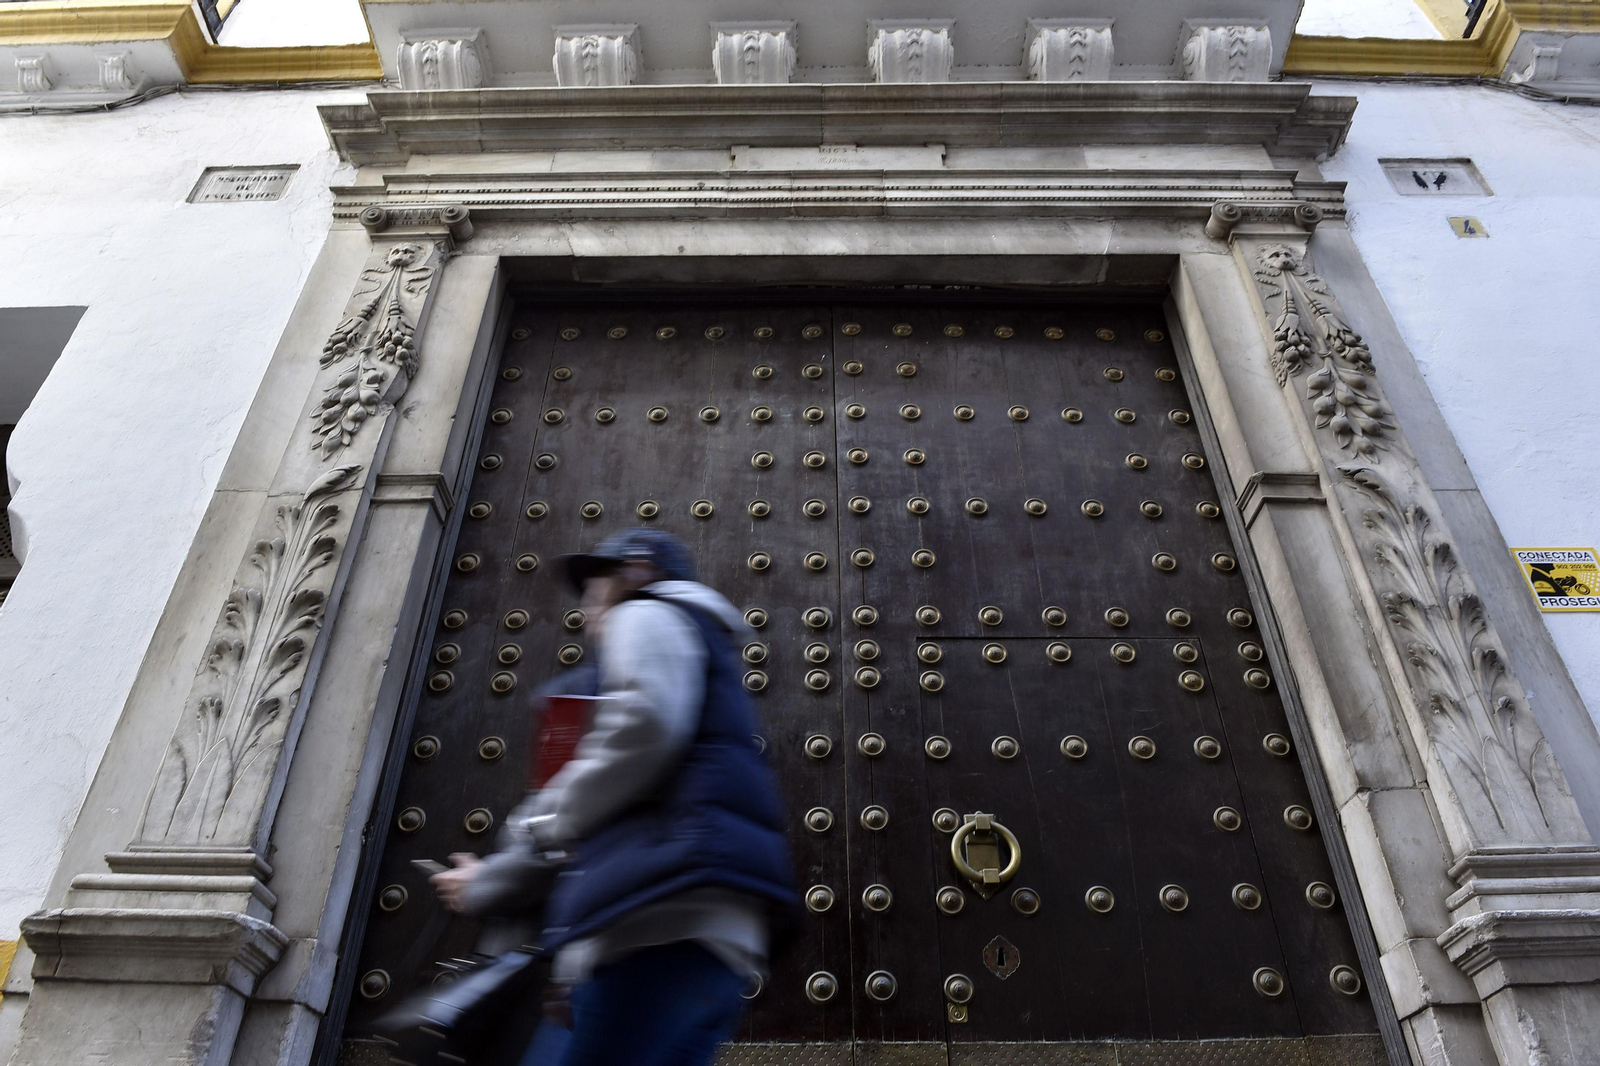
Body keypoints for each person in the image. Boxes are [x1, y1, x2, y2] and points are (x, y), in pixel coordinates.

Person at [432, 528, 797, 1066]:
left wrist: (541, 830)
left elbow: (641, 728)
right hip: (709, 930)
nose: (585, 607)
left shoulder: (646, 614)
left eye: (596, 584)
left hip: (653, 920)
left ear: (636, 573)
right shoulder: (699, 642)